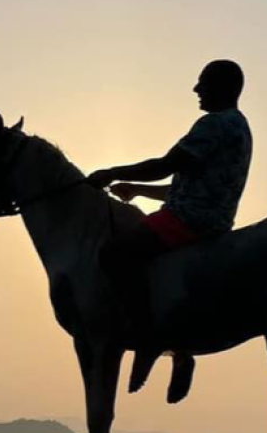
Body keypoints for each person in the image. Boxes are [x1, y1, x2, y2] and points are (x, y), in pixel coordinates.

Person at [86, 60, 252, 396]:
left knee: (115, 253)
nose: (196, 89)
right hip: (204, 214)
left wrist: (112, 172)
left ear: (222, 87)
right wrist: (135, 189)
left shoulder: (214, 125)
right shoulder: (239, 127)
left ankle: (148, 338)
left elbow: (164, 166)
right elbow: (182, 184)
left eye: (202, 82)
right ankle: (180, 350)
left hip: (191, 219)